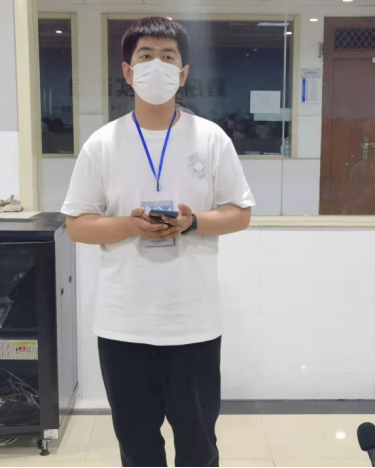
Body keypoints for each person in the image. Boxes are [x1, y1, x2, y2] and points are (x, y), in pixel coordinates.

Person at [61, 17, 254, 468]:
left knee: (199, 445)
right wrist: (130, 227)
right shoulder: (101, 144)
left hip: (193, 324)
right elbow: (77, 225)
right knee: (138, 448)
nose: (157, 66)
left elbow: (240, 213)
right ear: (128, 72)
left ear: (183, 74)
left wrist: (192, 223)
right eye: (145, 56)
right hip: (123, 326)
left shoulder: (211, 139)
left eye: (168, 57)